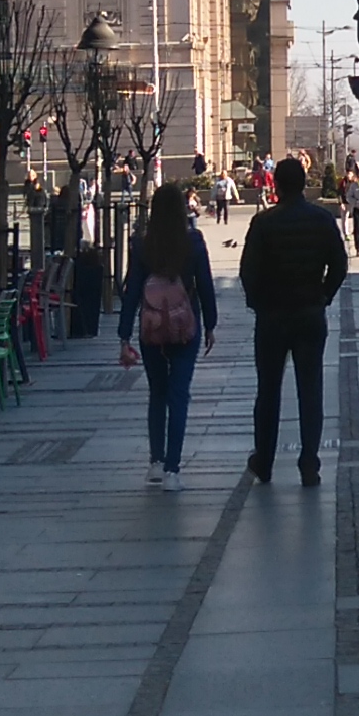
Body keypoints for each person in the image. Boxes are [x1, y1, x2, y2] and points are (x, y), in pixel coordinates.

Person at [237, 156, 349, 484]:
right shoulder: (321, 219)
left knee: (268, 390)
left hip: (272, 316)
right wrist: (324, 295)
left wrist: (258, 302)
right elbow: (340, 264)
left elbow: (247, 271)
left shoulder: (263, 223)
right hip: (310, 314)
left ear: (277, 185)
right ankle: (309, 461)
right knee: (310, 390)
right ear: (303, 184)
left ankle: (264, 460)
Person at [118, 182, 216, 490]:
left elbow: (132, 291)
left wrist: (124, 336)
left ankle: (156, 463)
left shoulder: (142, 245)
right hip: (186, 326)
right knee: (179, 394)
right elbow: (205, 284)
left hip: (151, 330)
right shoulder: (194, 242)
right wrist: (210, 324)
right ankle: (173, 469)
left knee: (157, 392)